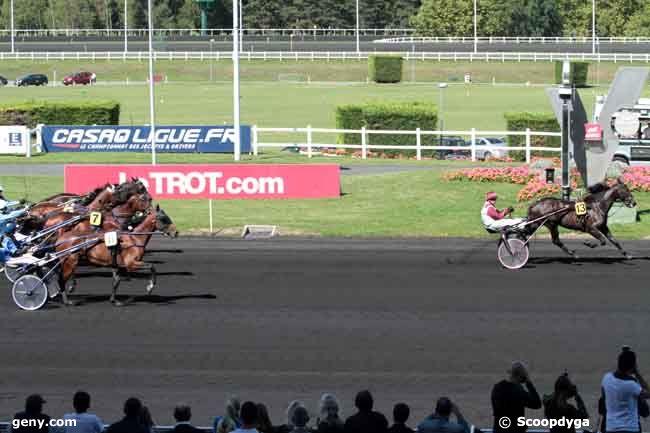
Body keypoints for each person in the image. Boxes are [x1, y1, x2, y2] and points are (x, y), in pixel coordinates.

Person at [600, 347, 650, 433]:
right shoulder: (631, 385)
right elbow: (648, 393)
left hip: (611, 428)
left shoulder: (606, 378)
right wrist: (637, 374)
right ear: (632, 367)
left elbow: (604, 397)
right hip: (629, 428)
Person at [492, 361, 542, 433]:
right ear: (521, 376)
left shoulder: (497, 387)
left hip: (498, 429)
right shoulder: (518, 391)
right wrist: (528, 383)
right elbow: (537, 404)